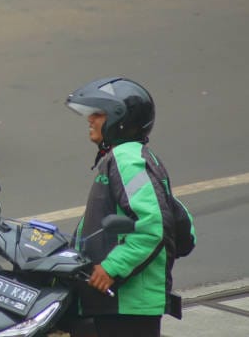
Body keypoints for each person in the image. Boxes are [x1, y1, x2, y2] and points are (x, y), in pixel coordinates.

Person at [64, 77, 194, 337]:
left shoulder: (127, 159)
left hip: (127, 305)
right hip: (123, 303)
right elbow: (178, 222)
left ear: (118, 120)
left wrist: (112, 268)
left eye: (98, 114)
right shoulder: (126, 158)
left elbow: (153, 225)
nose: (90, 120)